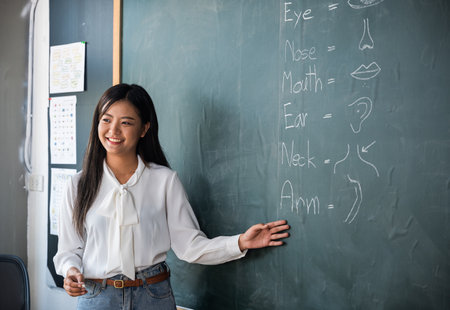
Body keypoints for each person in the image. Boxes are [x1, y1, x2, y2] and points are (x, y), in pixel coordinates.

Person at [54, 83, 290, 309]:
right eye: (106, 120)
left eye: (126, 122)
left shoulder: (164, 180)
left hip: (152, 296)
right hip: (97, 296)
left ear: (144, 128)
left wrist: (240, 242)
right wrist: (71, 271)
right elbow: (68, 251)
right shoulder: (78, 185)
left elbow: (189, 246)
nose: (113, 130)